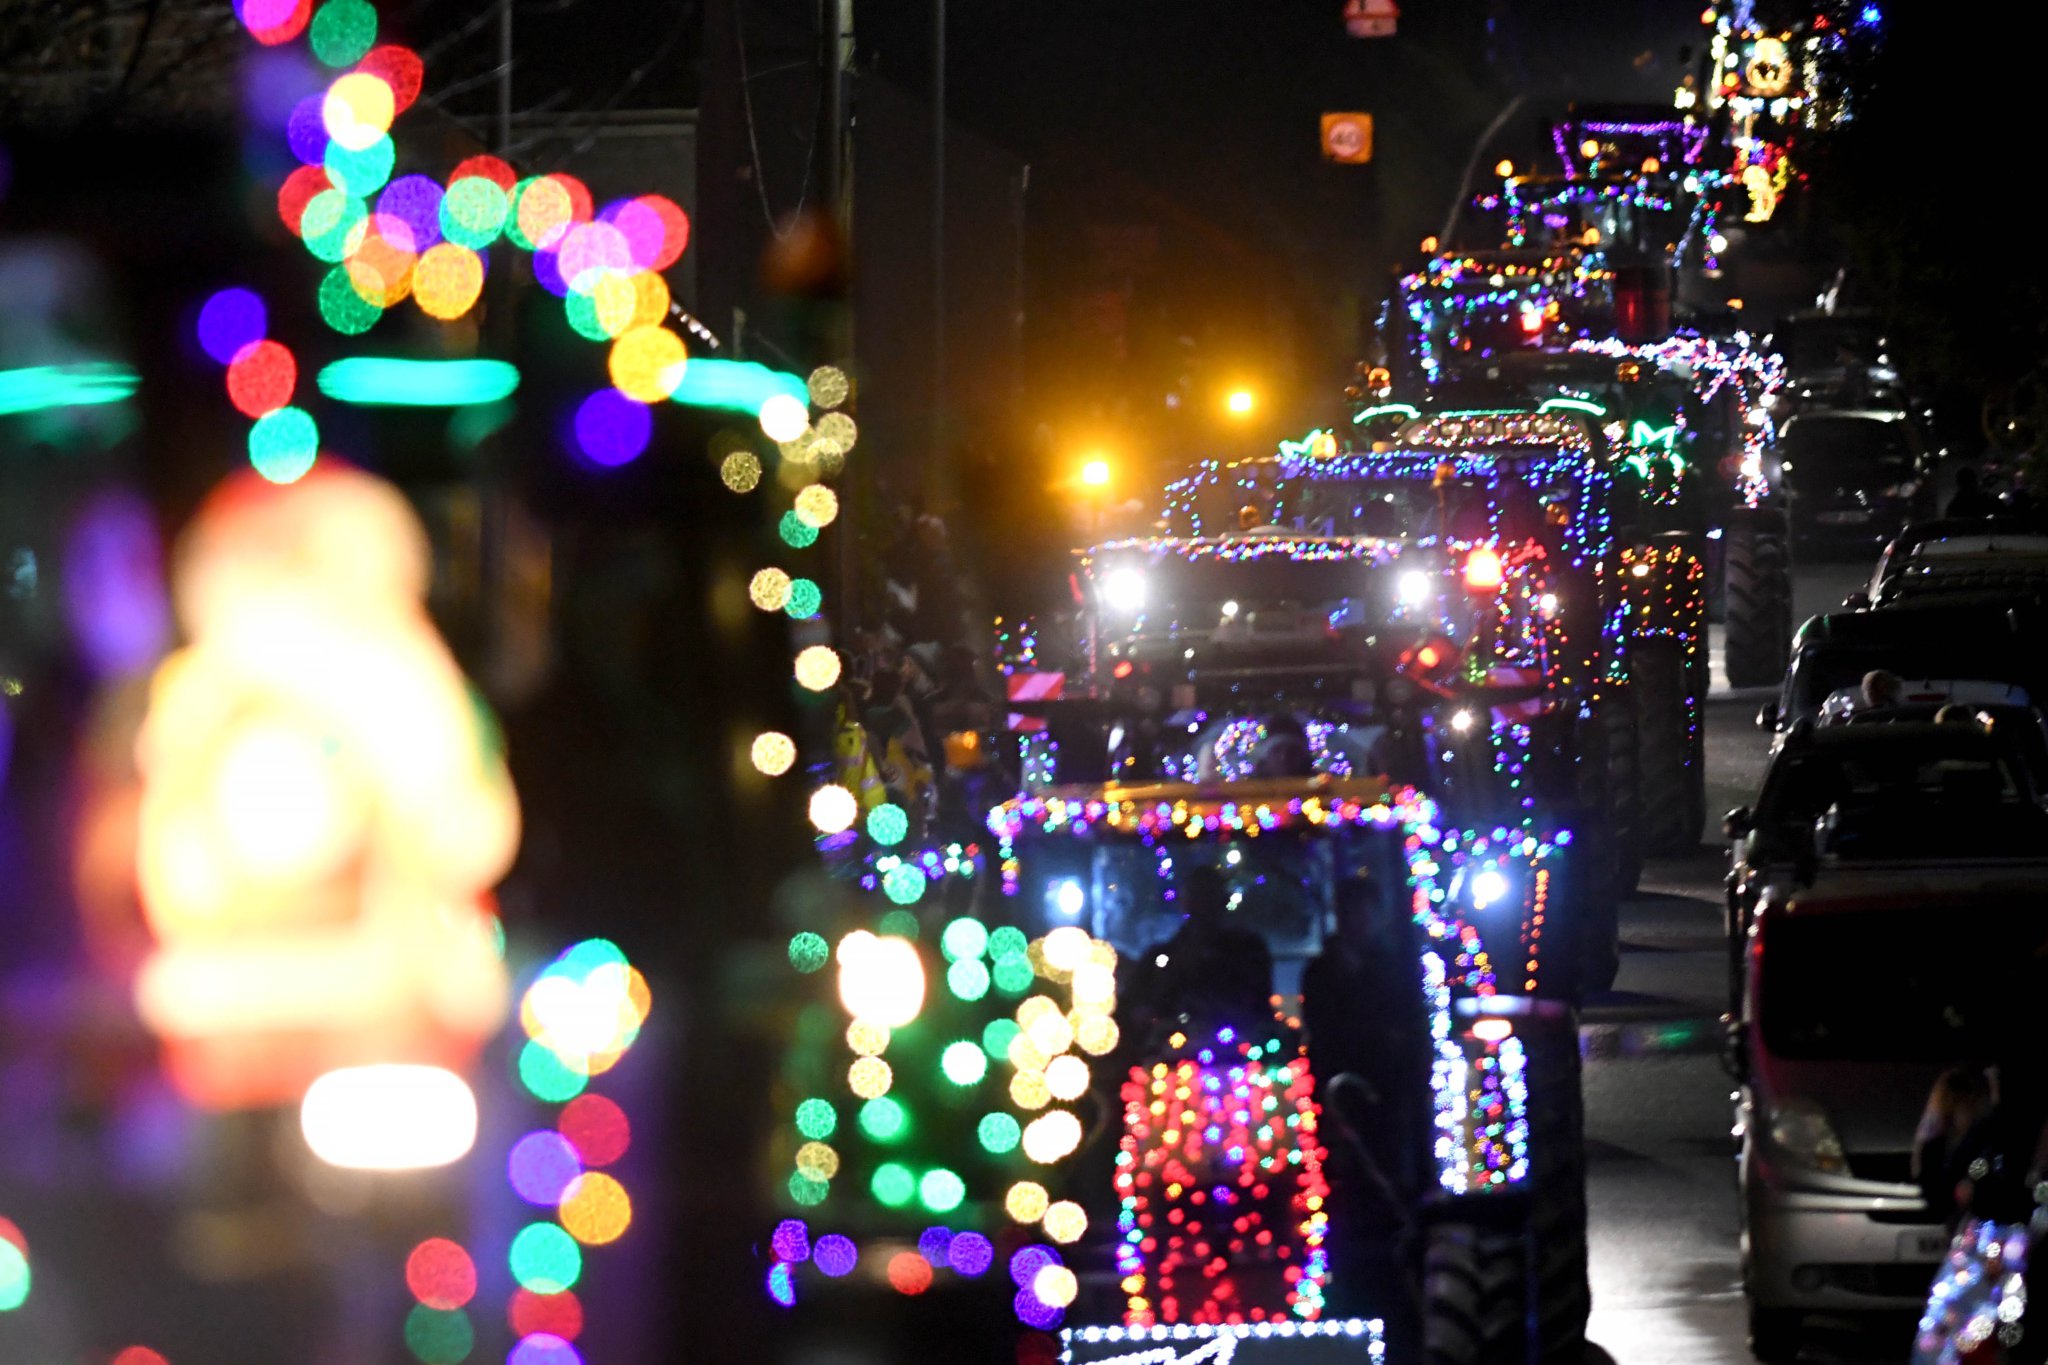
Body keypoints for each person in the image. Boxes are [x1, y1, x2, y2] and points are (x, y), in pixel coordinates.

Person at [1129, 864, 1275, 1037]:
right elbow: (1138, 1008)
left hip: (1239, 1050)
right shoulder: (1160, 958)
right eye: (1197, 898)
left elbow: (1259, 1008)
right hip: (1173, 1052)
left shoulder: (1249, 951)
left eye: (1208, 897)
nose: (1202, 907)